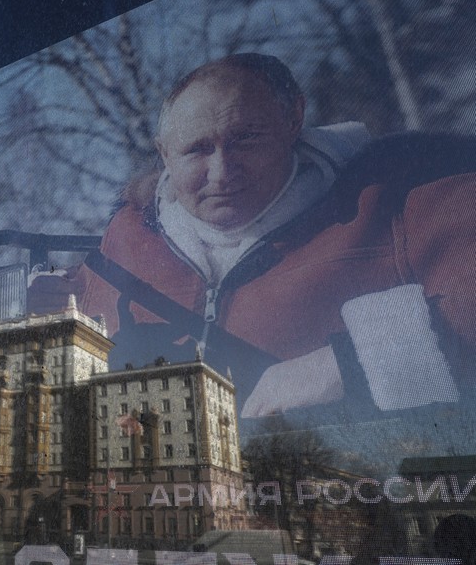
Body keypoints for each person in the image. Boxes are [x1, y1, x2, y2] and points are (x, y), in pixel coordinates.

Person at [65, 53, 476, 418]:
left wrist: (352, 362)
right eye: (197, 150)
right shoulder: (129, 234)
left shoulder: (394, 195)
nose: (223, 172)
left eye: (246, 138)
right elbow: (76, 313)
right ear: (164, 153)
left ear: (293, 119)